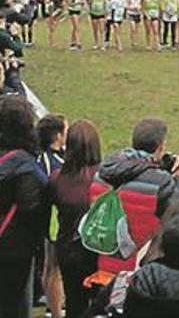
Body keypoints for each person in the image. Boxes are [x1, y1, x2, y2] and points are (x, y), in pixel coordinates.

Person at [84, 118, 179, 289]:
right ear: (161, 146)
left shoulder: (102, 173)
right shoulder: (159, 182)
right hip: (138, 270)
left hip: (100, 263)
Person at [49, 119, 101, 318]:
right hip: (98, 250)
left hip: (68, 249)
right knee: (100, 303)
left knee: (74, 302)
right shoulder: (106, 178)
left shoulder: (57, 179)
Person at [0, 96, 46, 318]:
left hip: (11, 240)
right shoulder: (25, 167)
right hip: (13, 247)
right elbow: (31, 209)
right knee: (11, 303)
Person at [34, 115, 67, 318]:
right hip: (54, 221)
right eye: (65, 130)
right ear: (57, 135)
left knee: (49, 266)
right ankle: (55, 310)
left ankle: (51, 305)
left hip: (47, 222)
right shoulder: (53, 163)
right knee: (55, 268)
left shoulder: (42, 157)